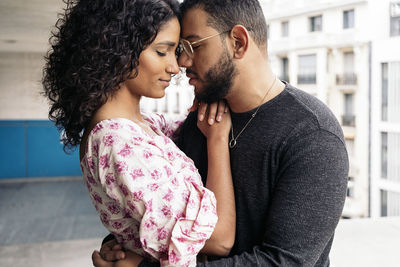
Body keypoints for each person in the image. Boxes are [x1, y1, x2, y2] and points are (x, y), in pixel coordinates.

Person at [93, 0, 349, 266]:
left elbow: (283, 262)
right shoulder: (200, 119)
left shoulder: (312, 135)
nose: (181, 61)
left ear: (238, 42)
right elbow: (160, 212)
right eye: (180, 48)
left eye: (194, 45)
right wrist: (121, 247)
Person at [42, 0, 236, 266]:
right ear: (118, 50)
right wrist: (217, 140)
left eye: (175, 51)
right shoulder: (118, 142)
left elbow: (183, 127)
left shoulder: (138, 126)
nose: (175, 65)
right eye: (161, 51)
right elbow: (219, 239)